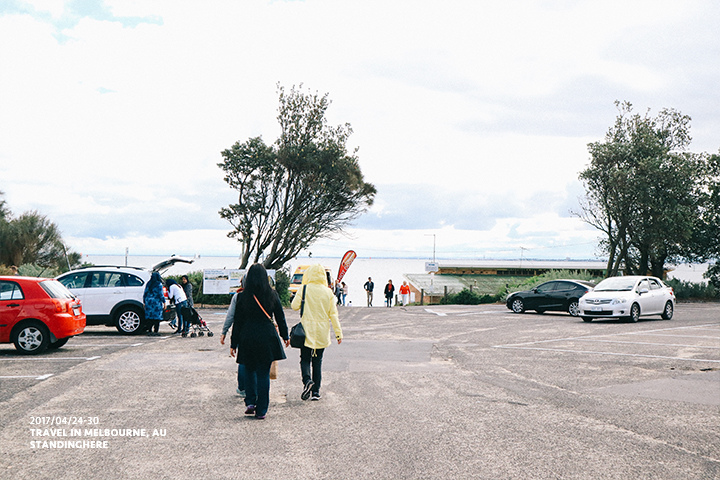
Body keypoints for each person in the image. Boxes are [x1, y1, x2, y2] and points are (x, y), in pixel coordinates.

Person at [230, 264, 289, 419]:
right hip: (267, 338)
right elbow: (280, 317)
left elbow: (238, 322)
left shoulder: (242, 296)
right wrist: (285, 336)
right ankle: (261, 410)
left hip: (247, 337)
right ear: (265, 277)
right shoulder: (272, 294)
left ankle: (250, 401)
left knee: (249, 370)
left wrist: (233, 343)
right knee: (263, 374)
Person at [290, 264, 343, 401]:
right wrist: (338, 334)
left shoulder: (304, 288)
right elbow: (333, 315)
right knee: (318, 361)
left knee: (305, 359)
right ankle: (316, 392)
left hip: (305, 331)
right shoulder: (328, 292)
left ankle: (307, 381)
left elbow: (294, 306)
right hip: (321, 332)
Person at [221, 289, 246, 398]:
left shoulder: (238, 296)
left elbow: (231, 316)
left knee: (243, 361)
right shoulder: (267, 294)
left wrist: (224, 331)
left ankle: (242, 388)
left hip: (243, 334)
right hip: (262, 335)